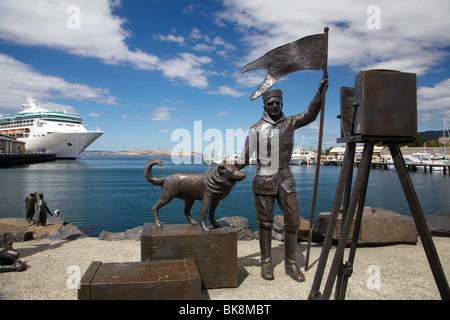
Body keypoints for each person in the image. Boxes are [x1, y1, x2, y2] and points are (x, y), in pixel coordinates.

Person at [236, 76, 328, 281]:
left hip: (285, 177)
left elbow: (310, 115)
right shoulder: (254, 129)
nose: (274, 106)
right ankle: (266, 263)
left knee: (293, 222)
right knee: (265, 224)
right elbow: (243, 159)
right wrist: (224, 170)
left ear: (282, 104)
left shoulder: (291, 122)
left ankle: (291, 264)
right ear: (264, 105)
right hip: (263, 179)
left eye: (277, 103)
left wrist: (320, 92)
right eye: (270, 103)